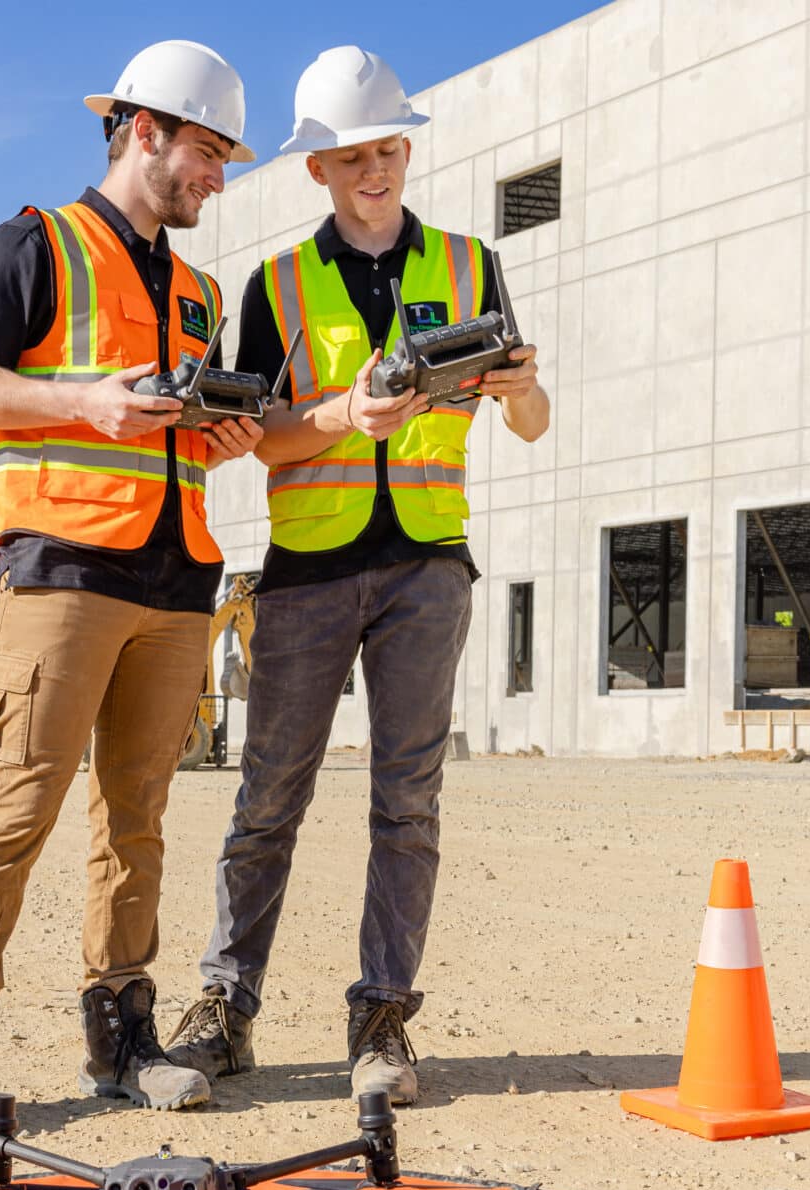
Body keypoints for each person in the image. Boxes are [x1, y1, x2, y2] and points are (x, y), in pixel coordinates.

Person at [164, 46, 549, 1105]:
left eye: (386, 148)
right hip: (308, 570)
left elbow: (527, 417)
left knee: (407, 802)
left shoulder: (470, 266)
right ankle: (225, 1008)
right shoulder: (277, 285)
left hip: (428, 564)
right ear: (315, 172)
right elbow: (247, 435)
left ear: (405, 148)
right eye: (350, 156)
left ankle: (381, 1018)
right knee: (267, 798)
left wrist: (521, 389)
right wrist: (341, 413)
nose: (373, 169)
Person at [0, 40, 267, 1134]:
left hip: (173, 582)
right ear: (143, 131)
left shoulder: (200, 292)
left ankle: (123, 1038)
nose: (218, 176)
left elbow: (175, 437)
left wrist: (226, 433)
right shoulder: (38, 245)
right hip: (61, 572)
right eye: (208, 151)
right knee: (20, 806)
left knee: (140, 820)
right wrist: (85, 403)